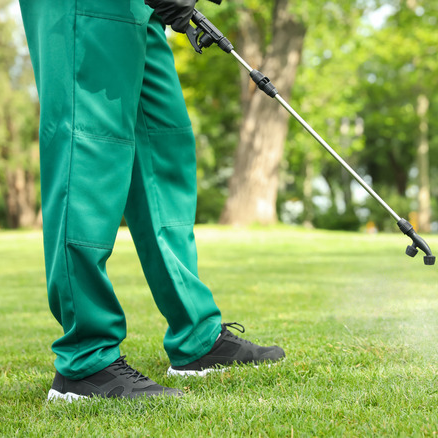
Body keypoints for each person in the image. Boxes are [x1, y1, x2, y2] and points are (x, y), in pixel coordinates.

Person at [18, 0, 285, 401]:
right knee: (90, 146)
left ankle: (197, 339)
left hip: (140, 11)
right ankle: (86, 360)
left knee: (164, 146)